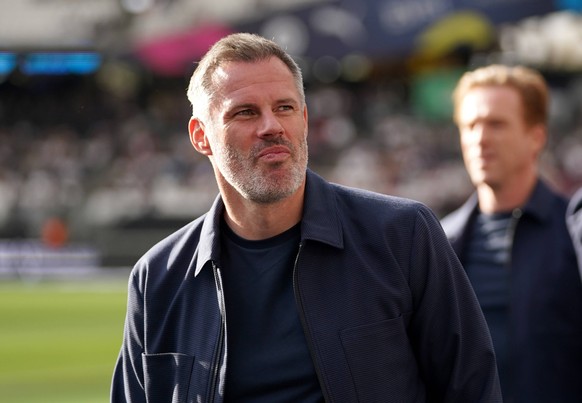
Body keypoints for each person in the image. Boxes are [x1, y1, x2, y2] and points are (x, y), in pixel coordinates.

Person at [111, 32, 501, 402]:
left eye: (285, 107)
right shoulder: (157, 280)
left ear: (305, 119)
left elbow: (471, 387)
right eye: (245, 113)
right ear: (201, 136)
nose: (271, 127)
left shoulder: (403, 235)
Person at [441, 64, 582, 403]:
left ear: (536, 136)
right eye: (470, 125)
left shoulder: (573, 231)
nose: (480, 138)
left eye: (496, 124)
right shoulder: (437, 243)